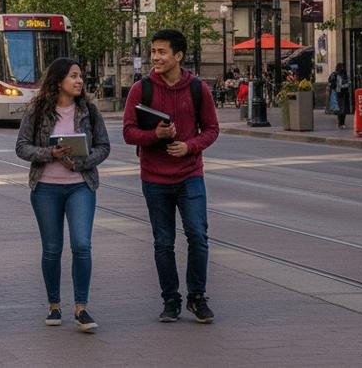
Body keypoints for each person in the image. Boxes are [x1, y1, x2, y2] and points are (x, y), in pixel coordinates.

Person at [122, 29, 219, 325]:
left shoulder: (197, 89)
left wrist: (189, 146)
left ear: (178, 56)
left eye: (162, 52)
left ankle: (197, 297)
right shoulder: (141, 89)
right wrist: (155, 135)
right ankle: (171, 300)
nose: (156, 57)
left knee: (198, 237)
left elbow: (212, 129)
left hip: (190, 175)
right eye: (154, 51)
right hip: (154, 178)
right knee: (163, 242)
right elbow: (128, 132)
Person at [15, 58, 110, 332]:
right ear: (59, 81)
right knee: (52, 249)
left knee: (81, 245)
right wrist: (49, 154)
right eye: (74, 76)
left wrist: (81, 162)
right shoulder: (38, 110)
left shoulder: (89, 110)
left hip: (81, 185)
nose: (80, 81)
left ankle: (81, 307)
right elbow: (21, 147)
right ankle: (54, 305)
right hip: (45, 187)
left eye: (80, 76)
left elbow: (103, 146)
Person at [328, 62, 352, 129]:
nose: (342, 68)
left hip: (342, 93)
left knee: (343, 110)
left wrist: (342, 86)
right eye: (341, 67)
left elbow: (349, 82)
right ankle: (340, 123)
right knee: (340, 109)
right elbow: (330, 82)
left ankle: (342, 123)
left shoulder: (345, 74)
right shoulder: (335, 74)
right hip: (339, 93)